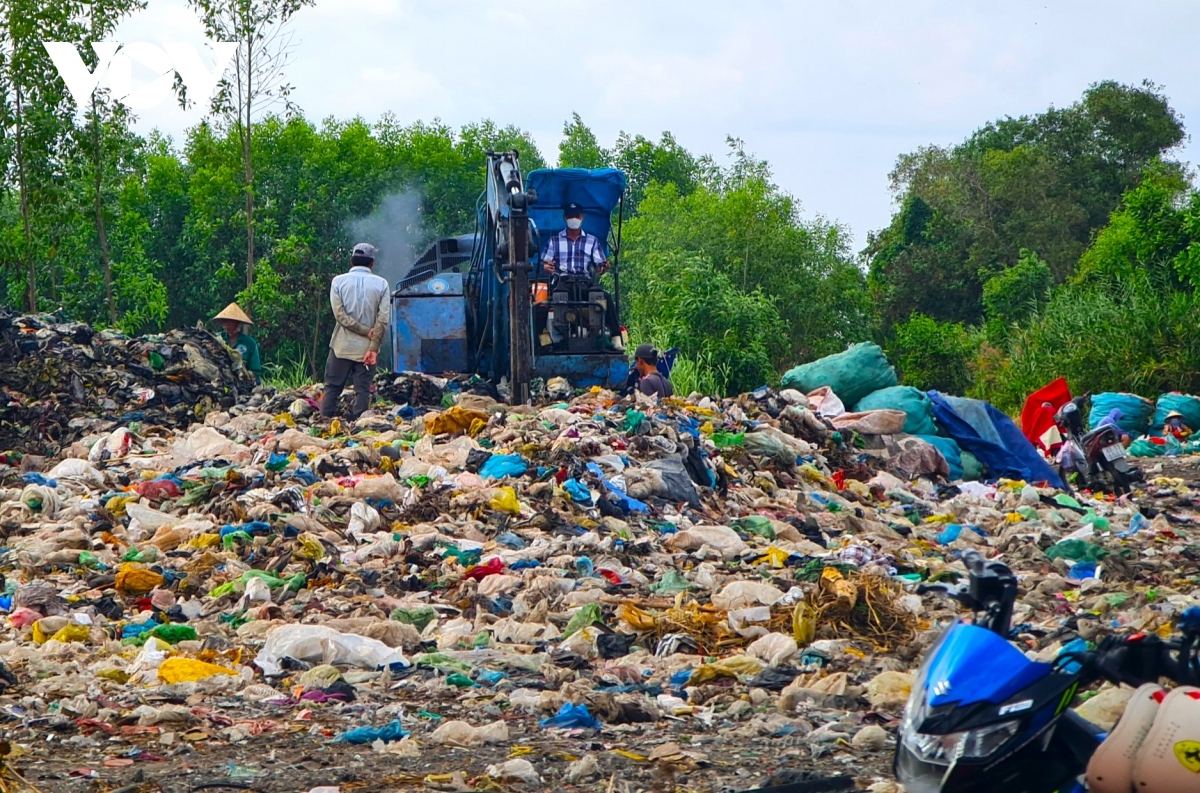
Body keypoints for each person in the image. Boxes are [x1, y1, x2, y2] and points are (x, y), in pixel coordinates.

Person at [321, 242, 390, 419]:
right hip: (367, 349)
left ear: (352, 261)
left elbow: (340, 316)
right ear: (372, 263)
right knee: (363, 390)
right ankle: (360, 427)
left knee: (332, 387)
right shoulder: (382, 284)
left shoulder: (338, 281)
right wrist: (373, 346)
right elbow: (383, 319)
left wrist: (363, 330)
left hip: (341, 347)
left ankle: (324, 420)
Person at [541, 203, 623, 351]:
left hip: (585, 282)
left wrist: (602, 267)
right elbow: (546, 264)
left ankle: (616, 337)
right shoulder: (554, 240)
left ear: (582, 217)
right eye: (571, 216)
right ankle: (542, 342)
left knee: (606, 298)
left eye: (577, 216)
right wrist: (547, 267)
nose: (574, 219)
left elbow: (599, 266)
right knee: (541, 305)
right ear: (565, 217)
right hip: (563, 282)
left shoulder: (592, 241)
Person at [213, 302, 262, 379]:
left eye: (229, 321)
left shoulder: (249, 343)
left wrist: (245, 375)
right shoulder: (216, 338)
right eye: (224, 321)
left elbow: (256, 371)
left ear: (238, 323)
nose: (226, 324)